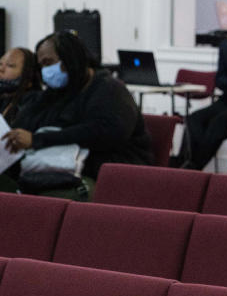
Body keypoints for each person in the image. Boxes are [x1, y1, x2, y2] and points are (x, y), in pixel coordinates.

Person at [2, 31, 152, 197]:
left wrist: (37, 140)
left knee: (48, 198)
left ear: (70, 59)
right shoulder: (59, 91)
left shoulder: (109, 89)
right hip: (56, 166)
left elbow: (103, 132)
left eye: (49, 63)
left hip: (105, 173)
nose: (45, 71)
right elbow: (31, 118)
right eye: (41, 66)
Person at [176, 21, 227, 170]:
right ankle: (183, 161)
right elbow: (220, 79)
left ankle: (194, 166)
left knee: (217, 123)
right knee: (194, 119)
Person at [0, 47, 42, 122]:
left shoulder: (33, 101)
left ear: (29, 75)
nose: (1, 69)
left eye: (10, 65)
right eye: (0, 64)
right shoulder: (4, 98)